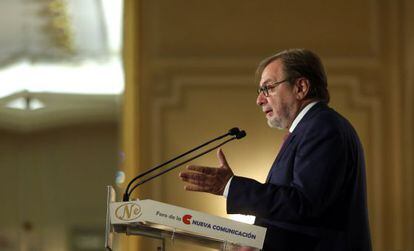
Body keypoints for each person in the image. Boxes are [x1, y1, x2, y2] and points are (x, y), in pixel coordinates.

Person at [179, 49, 372, 251]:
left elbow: (304, 204)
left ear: (301, 87)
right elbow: (295, 216)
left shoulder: (323, 127)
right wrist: (256, 243)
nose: (260, 100)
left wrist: (230, 186)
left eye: (268, 88)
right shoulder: (310, 128)